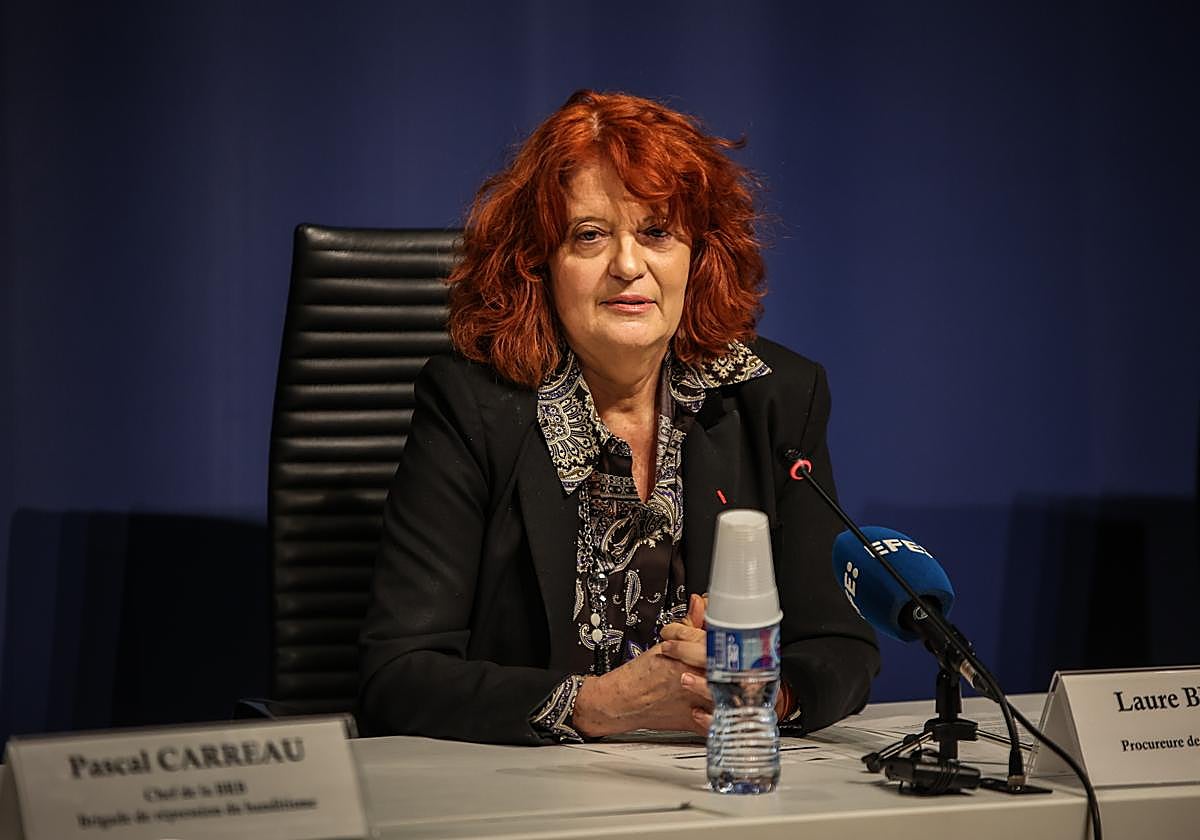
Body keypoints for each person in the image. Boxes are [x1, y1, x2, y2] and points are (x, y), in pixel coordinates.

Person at [359, 90, 879, 745]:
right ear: (540, 264)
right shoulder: (473, 407)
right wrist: (592, 705)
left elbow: (840, 645)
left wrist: (766, 693)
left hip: (710, 787)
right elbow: (398, 674)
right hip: (526, 795)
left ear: (699, 254)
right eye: (590, 235)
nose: (628, 266)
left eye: (656, 231)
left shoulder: (771, 396)